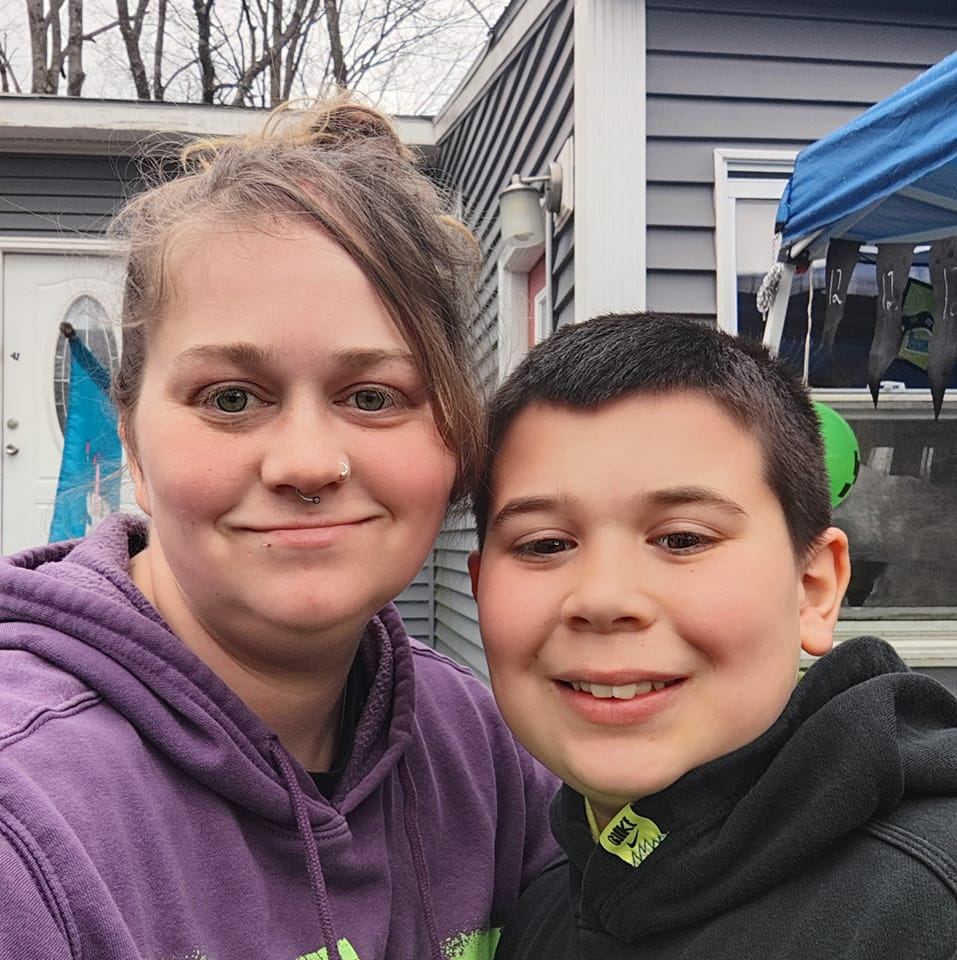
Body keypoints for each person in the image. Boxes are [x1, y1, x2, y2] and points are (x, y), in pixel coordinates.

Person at [0, 97, 558, 960]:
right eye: (230, 398)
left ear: (453, 432)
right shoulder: (28, 824)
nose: (306, 463)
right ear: (131, 441)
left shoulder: (474, 746)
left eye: (372, 397)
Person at [467, 312, 957, 959]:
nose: (605, 598)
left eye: (681, 539)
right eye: (545, 543)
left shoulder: (926, 905)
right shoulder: (545, 908)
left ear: (812, 589)